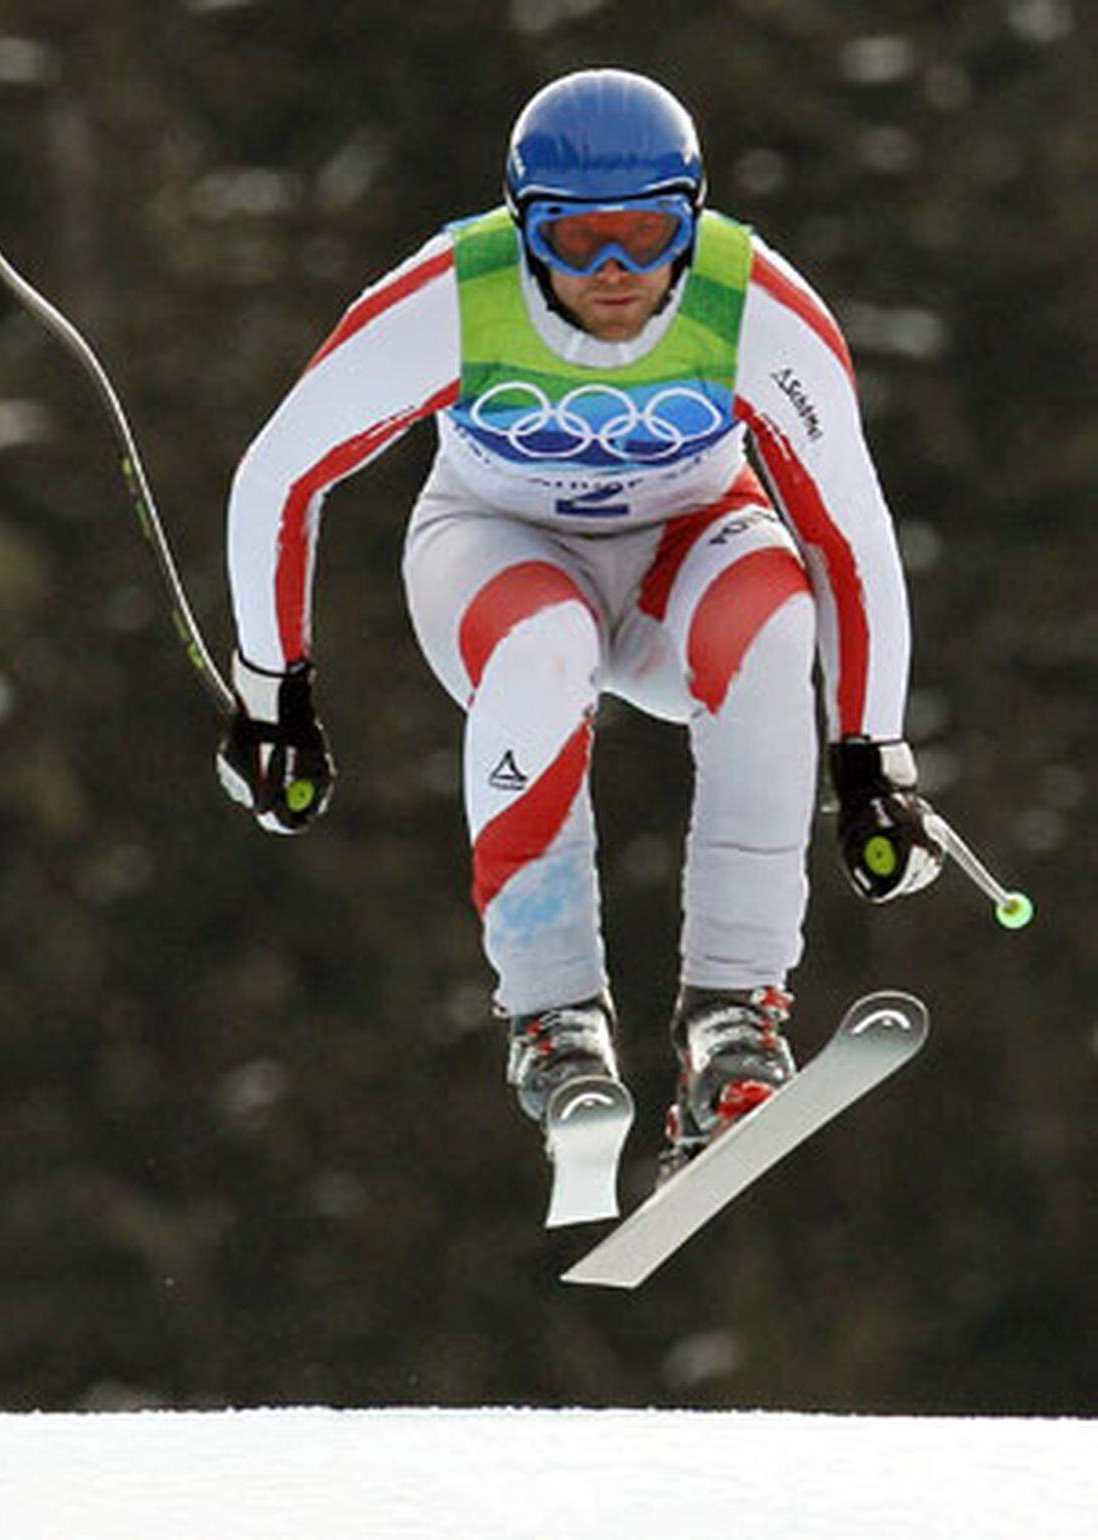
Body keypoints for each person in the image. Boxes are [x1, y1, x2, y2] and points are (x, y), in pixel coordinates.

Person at [216, 68, 944, 1184]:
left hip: (686, 551)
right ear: (523, 226)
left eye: (647, 234)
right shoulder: (457, 296)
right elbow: (280, 476)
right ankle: (554, 1023)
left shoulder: (756, 309)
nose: (614, 273)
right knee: (543, 644)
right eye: (575, 239)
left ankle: (734, 1021)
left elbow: (849, 535)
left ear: (691, 221)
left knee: (773, 620)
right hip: (495, 546)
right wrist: (274, 694)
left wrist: (868, 752)